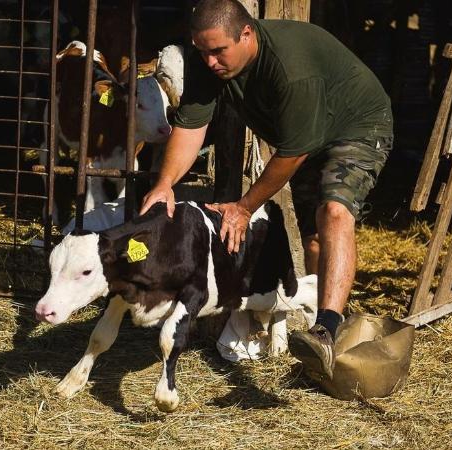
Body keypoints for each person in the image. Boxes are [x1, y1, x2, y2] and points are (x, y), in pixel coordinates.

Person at [138, 0, 393, 382]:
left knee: (335, 212)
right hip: (306, 135)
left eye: (218, 51)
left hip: (356, 126)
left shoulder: (291, 68)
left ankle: (325, 328)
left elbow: (292, 154)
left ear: (247, 33)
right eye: (202, 51)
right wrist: (163, 185)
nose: (209, 62)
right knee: (314, 241)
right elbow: (191, 127)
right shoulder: (207, 59)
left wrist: (243, 208)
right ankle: (324, 352)